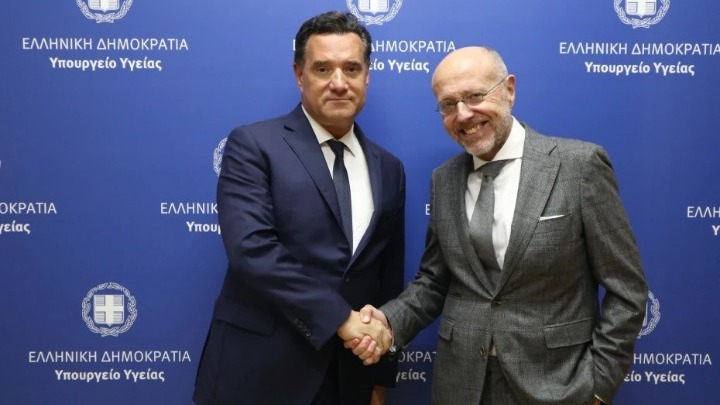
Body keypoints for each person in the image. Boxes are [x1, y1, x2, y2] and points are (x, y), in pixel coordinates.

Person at [347, 46, 648, 405]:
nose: (463, 114)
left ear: (509, 89)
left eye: (475, 96)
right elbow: (433, 282)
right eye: (448, 104)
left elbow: (626, 289)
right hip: (460, 386)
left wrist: (598, 386)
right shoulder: (445, 180)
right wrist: (386, 322)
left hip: (558, 386)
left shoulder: (579, 167)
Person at [193, 11, 404, 405]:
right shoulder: (254, 145)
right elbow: (252, 250)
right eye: (323, 68)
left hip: (349, 377)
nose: (339, 82)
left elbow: (388, 279)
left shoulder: (389, 168)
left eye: (351, 68)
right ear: (299, 75)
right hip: (258, 375)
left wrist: (379, 380)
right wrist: (341, 319)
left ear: (367, 76)